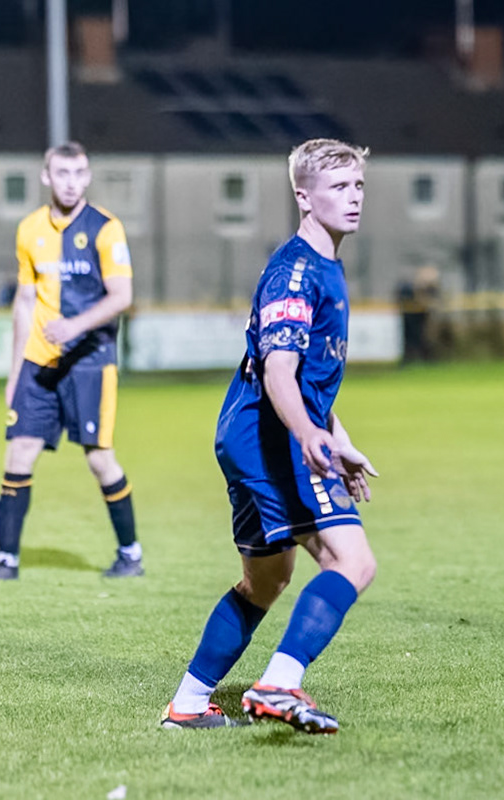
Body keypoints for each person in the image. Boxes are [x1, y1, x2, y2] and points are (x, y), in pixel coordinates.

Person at [161, 139, 378, 733]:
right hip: (270, 438)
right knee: (351, 560)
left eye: (358, 185)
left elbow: (306, 377)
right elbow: (279, 369)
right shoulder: (297, 271)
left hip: (256, 433)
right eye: (338, 188)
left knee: (267, 579)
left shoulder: (323, 265)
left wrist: (339, 436)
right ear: (303, 197)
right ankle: (280, 684)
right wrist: (309, 434)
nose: (354, 198)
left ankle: (187, 704)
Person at [0, 142, 142, 581]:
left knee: (99, 459)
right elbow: (24, 301)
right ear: (46, 177)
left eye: (79, 173)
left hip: (91, 361)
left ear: (88, 177)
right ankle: (6, 559)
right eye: (62, 174)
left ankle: (130, 552)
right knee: (19, 452)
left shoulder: (106, 229)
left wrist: (74, 327)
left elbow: (123, 297)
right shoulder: (29, 229)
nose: (71, 182)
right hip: (39, 363)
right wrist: (15, 371)